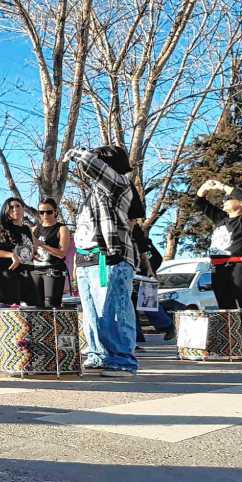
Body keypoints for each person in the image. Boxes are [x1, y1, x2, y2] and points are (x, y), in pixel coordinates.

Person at [64, 145, 138, 377]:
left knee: (113, 310)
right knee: (92, 314)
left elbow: (90, 164)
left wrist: (78, 152)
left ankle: (122, 360)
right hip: (88, 259)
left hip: (109, 258)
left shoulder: (118, 184)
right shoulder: (96, 191)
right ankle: (97, 355)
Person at [195, 179, 242, 359]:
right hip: (220, 267)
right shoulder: (221, 220)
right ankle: (232, 347)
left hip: (241, 264)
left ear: (239, 204)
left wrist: (223, 186)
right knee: (225, 306)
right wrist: (204, 188)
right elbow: (200, 203)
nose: (225, 200)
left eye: (229, 198)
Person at [0, 198, 38, 306]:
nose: (15, 209)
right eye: (11, 207)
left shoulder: (27, 229)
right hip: (7, 274)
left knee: (33, 310)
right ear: (6, 211)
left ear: (23, 208)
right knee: (12, 315)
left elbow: (32, 249)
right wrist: (12, 255)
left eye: (18, 206)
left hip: (27, 274)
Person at [31, 198, 71, 308]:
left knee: (51, 306)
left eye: (48, 212)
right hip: (36, 270)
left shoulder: (62, 229)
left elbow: (62, 253)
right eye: (41, 212)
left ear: (55, 212)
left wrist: (41, 244)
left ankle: (55, 325)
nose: (45, 215)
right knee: (36, 306)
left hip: (53, 270)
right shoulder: (34, 229)